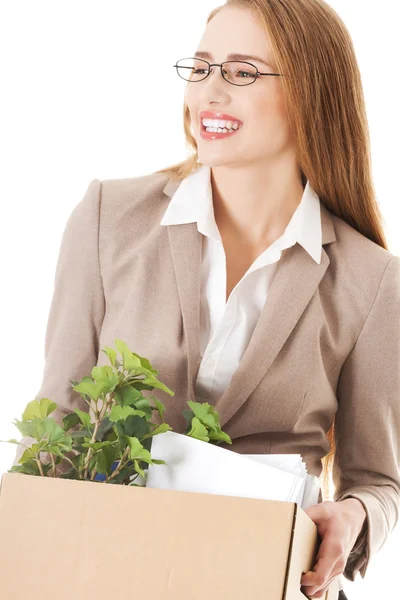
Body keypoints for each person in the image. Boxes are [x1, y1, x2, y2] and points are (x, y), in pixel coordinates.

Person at [13, 1, 399, 599]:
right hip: (109, 574)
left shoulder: (370, 280)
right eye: (200, 67)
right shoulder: (106, 218)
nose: (209, 91)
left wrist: (355, 514)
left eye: (242, 72)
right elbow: (58, 418)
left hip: (266, 581)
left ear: (313, 95)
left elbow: (377, 481)